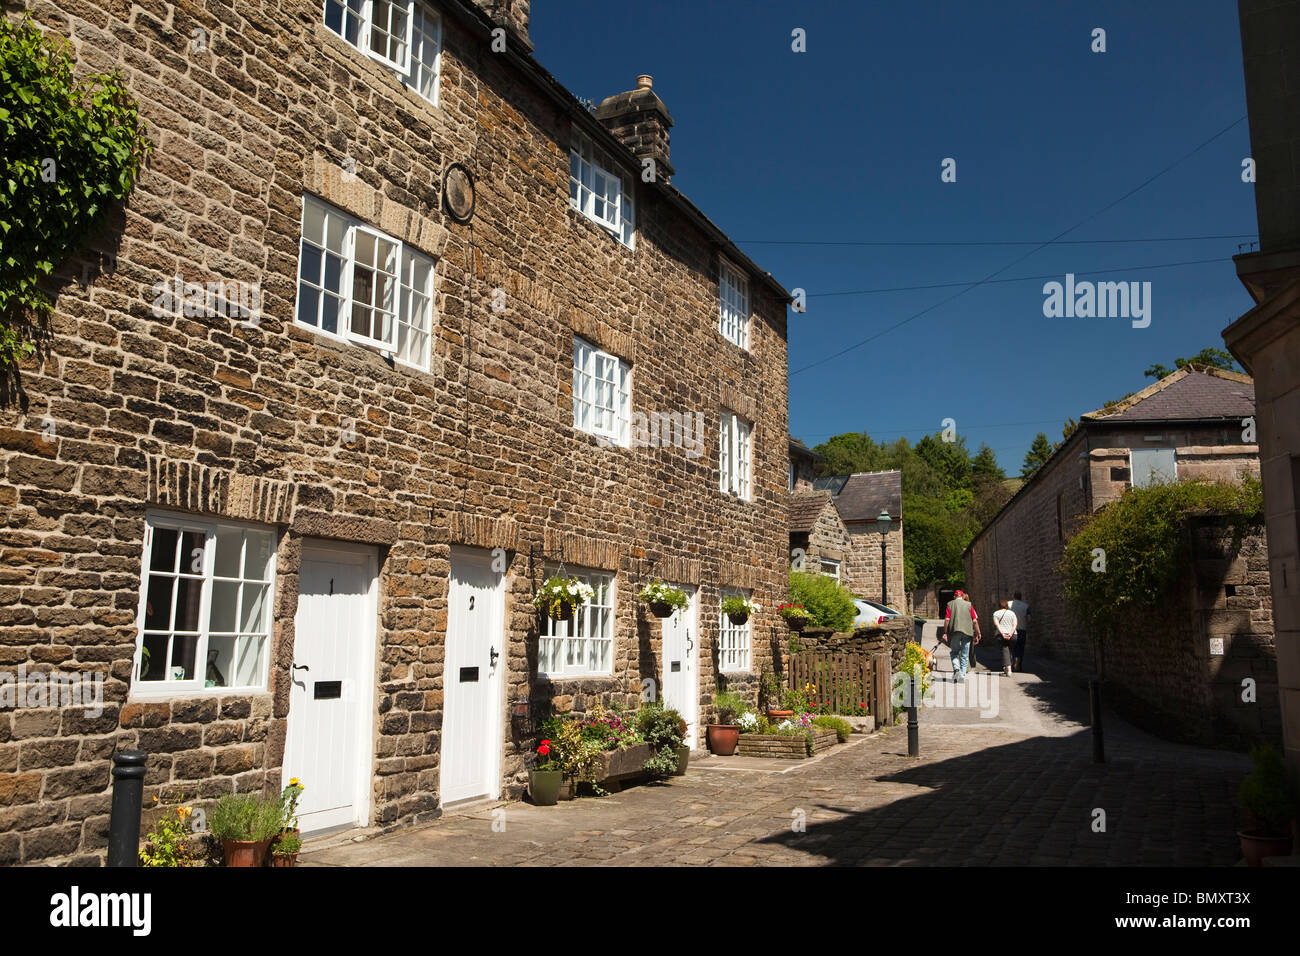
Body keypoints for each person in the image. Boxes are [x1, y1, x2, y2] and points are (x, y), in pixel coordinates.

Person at [943, 589, 981, 683]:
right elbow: (975, 621)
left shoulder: (950, 604)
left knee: (954, 652)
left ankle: (956, 669)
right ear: (963, 596)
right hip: (967, 632)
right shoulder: (969, 605)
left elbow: (947, 619)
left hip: (955, 631)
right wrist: (978, 633)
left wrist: (945, 632)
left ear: (955, 596)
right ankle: (962, 676)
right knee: (965, 654)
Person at [992, 600, 1018, 677]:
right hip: (1013, 635)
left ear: (999, 606)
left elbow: (997, 624)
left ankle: (1009, 670)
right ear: (1007, 605)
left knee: (1005, 650)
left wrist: (1002, 633)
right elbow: (1015, 624)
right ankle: (1006, 668)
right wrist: (1010, 634)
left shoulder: (996, 613)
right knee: (1009, 651)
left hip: (1001, 635)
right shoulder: (1012, 613)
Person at [1008, 592, 1031, 672]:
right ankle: (1019, 663)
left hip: (1012, 629)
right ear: (1021, 597)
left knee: (1013, 647)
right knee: (1021, 647)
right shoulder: (1026, 606)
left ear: (1013, 597)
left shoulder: (1008, 604)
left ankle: (1014, 661)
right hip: (1022, 629)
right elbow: (1029, 619)